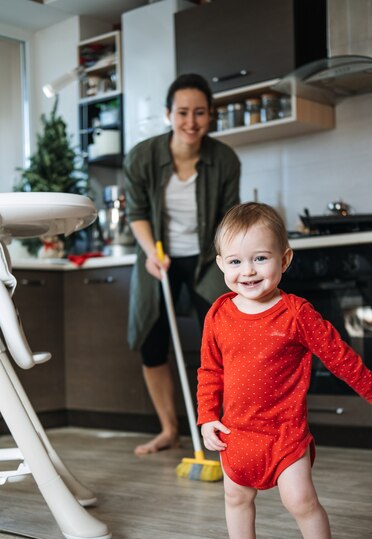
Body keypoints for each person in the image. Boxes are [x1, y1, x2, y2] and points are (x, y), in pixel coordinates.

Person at [197, 202, 372, 539]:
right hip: (237, 431)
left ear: (284, 259)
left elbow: (338, 355)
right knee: (235, 496)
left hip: (284, 432)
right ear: (221, 264)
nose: (247, 271)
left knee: (300, 499)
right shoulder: (218, 314)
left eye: (260, 258)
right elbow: (209, 371)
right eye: (235, 261)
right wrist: (206, 418)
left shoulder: (296, 313)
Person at [124, 73, 240, 456]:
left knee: (225, 344)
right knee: (153, 344)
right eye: (183, 112)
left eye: (200, 113)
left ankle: (226, 430)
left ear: (211, 116)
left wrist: (232, 263)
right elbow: (138, 212)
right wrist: (151, 254)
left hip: (210, 260)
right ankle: (170, 430)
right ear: (168, 114)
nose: (191, 122)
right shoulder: (142, 157)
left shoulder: (224, 160)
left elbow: (229, 219)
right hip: (158, 257)